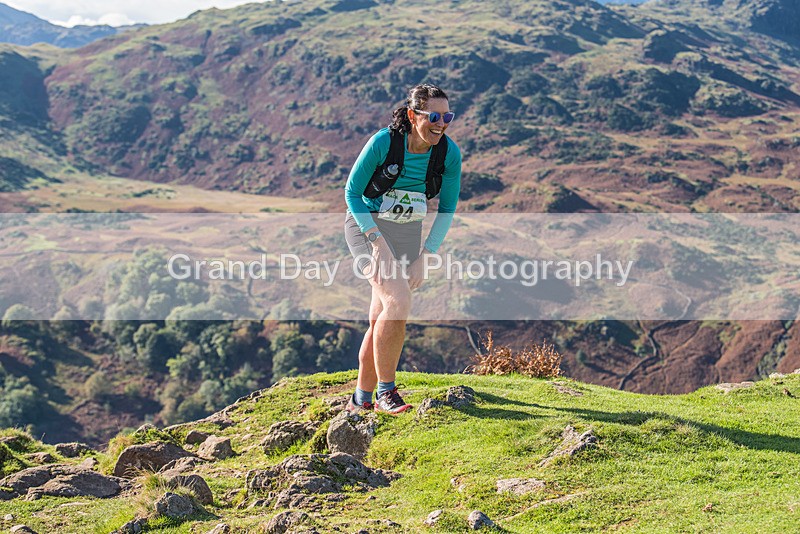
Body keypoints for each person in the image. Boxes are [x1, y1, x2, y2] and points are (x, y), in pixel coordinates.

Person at [343, 83, 462, 414]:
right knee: (398, 301)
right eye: (434, 116)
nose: (441, 123)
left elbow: (447, 209)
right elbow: (352, 193)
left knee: (380, 316)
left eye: (447, 116)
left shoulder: (448, 154)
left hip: (408, 233)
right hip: (367, 227)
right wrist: (376, 241)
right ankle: (387, 392)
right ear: (413, 115)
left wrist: (427, 255)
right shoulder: (384, 142)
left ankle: (360, 399)